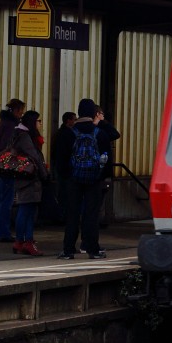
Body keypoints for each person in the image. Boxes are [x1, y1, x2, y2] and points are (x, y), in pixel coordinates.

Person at [59, 98, 120, 260]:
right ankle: (92, 249)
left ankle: (68, 250)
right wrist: (102, 176)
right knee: (91, 214)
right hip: (94, 179)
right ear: (94, 113)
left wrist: (66, 176)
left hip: (73, 179)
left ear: (79, 112)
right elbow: (107, 157)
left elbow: (62, 159)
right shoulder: (100, 133)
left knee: (72, 213)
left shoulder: (69, 133)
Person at [10, 111, 49, 255]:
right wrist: (44, 174)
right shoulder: (25, 137)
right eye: (39, 120)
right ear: (32, 122)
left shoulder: (19, 135)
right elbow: (34, 157)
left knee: (26, 209)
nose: (40, 123)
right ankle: (25, 241)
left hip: (23, 178)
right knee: (27, 210)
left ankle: (21, 241)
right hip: (29, 179)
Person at [0, 98, 25, 242]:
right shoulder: (11, 125)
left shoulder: (3, 122)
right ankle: (3, 233)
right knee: (6, 200)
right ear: (16, 110)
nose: (21, 114)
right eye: (20, 111)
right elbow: (7, 146)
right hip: (6, 167)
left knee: (1, 200)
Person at [50, 112, 77, 216]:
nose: (75, 121)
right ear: (69, 121)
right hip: (66, 168)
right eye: (74, 119)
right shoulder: (69, 134)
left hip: (60, 166)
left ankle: (62, 214)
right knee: (65, 192)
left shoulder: (59, 133)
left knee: (62, 192)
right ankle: (64, 214)